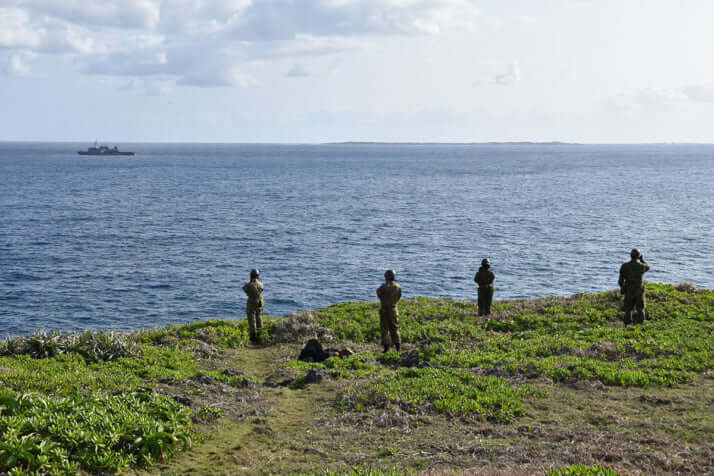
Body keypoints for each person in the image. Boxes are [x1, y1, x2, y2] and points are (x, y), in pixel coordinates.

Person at [618, 249, 650, 325]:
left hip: (628, 290)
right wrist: (642, 260)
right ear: (638, 256)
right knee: (640, 309)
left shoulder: (625, 266)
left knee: (628, 309)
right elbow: (648, 267)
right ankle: (641, 325)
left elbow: (620, 280)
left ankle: (627, 325)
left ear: (630, 256)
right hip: (639, 291)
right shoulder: (641, 266)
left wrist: (622, 288)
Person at [377, 269, 402, 353]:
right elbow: (399, 296)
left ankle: (386, 347)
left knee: (384, 329)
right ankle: (398, 347)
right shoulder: (398, 286)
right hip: (394, 310)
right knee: (395, 328)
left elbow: (379, 294)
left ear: (386, 277)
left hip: (385, 310)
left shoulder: (383, 287)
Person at [242, 268, 264, 343]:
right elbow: (262, 289)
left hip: (251, 301)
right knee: (259, 317)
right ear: (258, 276)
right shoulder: (261, 284)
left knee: (252, 319)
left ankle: (253, 336)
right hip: (260, 301)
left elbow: (244, 289)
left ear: (251, 276)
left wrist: (250, 282)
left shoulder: (249, 285)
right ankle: (261, 334)